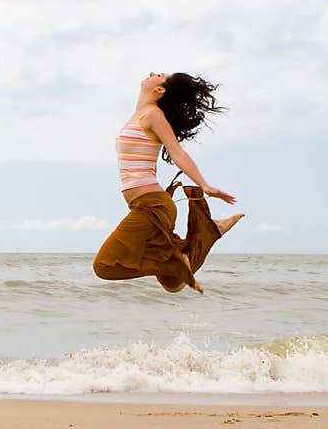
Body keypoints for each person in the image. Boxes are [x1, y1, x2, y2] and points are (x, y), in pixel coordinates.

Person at [92, 72, 244, 294]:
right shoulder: (140, 115)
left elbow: (177, 152)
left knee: (104, 267)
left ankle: (185, 252)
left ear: (160, 90)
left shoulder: (153, 115)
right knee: (173, 285)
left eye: (159, 75)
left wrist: (204, 185)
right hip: (144, 205)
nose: (153, 73)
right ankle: (208, 231)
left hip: (152, 205)